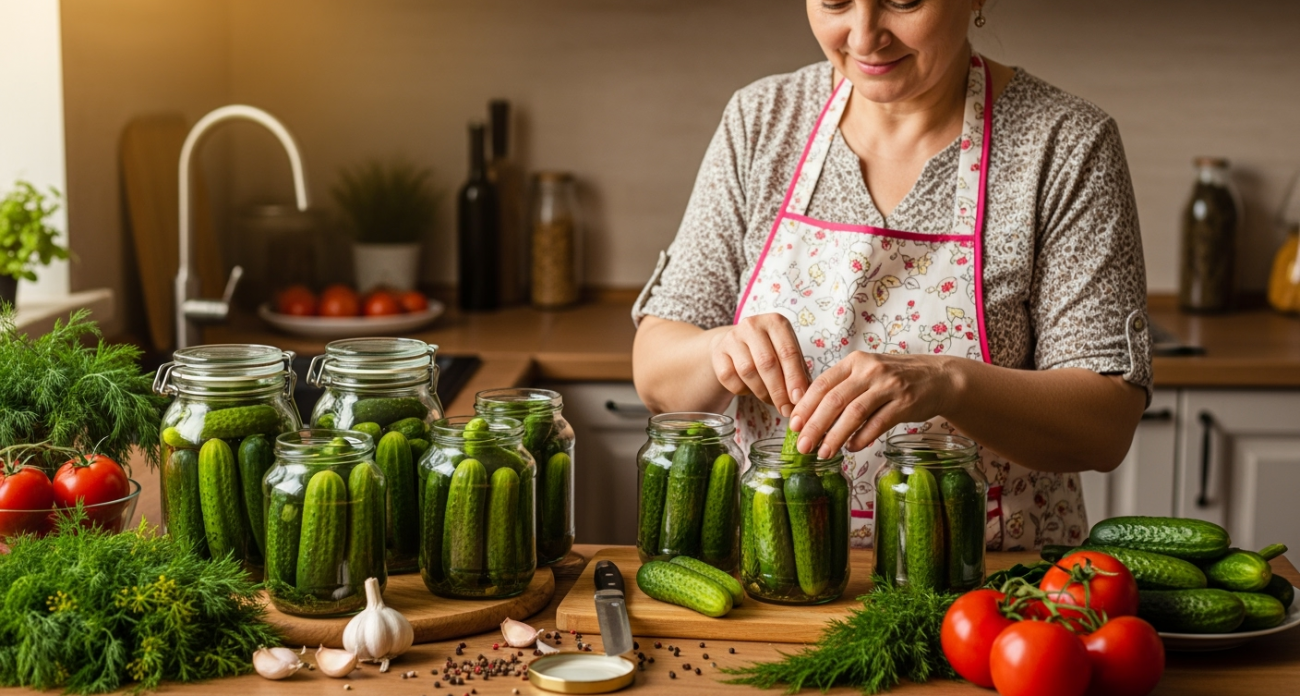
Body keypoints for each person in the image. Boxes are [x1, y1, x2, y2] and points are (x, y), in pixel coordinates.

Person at [631, 0, 1151, 551]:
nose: (864, 36)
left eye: (903, 1)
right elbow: (657, 374)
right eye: (835, 1)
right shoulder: (762, 120)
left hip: (991, 592)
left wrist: (948, 381)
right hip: (773, 577)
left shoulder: (1065, 144)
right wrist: (724, 350)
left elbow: (1104, 427)